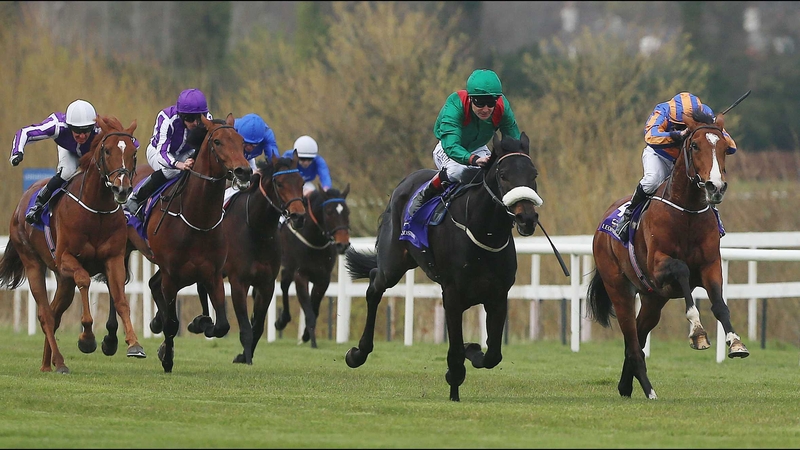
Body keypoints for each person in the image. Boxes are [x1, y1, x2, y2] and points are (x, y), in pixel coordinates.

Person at [614, 92, 738, 241]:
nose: (684, 127)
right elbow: (650, 136)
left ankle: (715, 218)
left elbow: (731, 146)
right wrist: (678, 134)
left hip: (687, 157)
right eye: (679, 125)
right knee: (652, 180)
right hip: (660, 155)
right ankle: (628, 215)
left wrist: (714, 131)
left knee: (705, 181)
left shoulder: (706, 113)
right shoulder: (662, 111)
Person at [408, 68, 520, 216]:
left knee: (496, 174)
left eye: (490, 103)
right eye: (480, 103)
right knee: (457, 171)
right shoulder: (456, 104)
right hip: (448, 148)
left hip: (478, 147)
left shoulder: (502, 107)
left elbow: (514, 141)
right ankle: (426, 193)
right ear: (470, 98)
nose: (485, 109)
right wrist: (474, 159)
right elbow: (451, 145)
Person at [9, 99, 107, 224]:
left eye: (87, 130)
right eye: (77, 131)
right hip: (69, 150)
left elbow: (125, 142)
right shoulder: (57, 126)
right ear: (69, 126)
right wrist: (17, 151)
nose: (82, 136)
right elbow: (26, 132)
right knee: (67, 172)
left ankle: (124, 208)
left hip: (91, 153)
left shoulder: (100, 129)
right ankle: (39, 204)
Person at [126, 88, 211, 215]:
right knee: (172, 171)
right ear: (181, 115)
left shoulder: (207, 119)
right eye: (189, 118)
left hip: (186, 153)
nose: (195, 123)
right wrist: (178, 164)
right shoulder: (167, 118)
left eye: (198, 118)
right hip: (158, 152)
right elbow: (162, 153)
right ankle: (136, 198)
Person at [223, 113, 279, 204]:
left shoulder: (268, 136)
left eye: (254, 145)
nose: (249, 148)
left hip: (248, 159)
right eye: (246, 143)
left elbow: (275, 162)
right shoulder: (230, 129)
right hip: (232, 157)